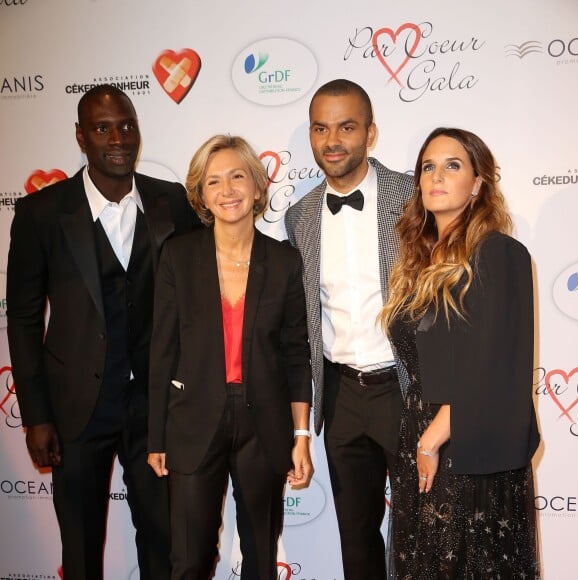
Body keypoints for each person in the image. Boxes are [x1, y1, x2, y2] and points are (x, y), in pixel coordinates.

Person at [6, 84, 201, 580]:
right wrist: (37, 416)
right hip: (75, 411)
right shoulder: (41, 214)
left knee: (164, 540)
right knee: (81, 545)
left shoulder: (171, 201)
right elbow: (25, 320)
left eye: (127, 125)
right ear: (80, 136)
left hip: (153, 409)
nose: (118, 138)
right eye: (102, 128)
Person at [147, 134, 313, 580]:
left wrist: (301, 435)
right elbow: (162, 350)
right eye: (213, 182)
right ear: (201, 196)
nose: (227, 190)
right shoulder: (178, 257)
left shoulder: (283, 262)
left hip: (265, 424)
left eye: (237, 176)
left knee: (261, 558)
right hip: (193, 420)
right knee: (189, 559)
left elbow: (297, 355)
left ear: (257, 186)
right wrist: (156, 437)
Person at [380, 127, 540, 578]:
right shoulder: (416, 261)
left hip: (467, 441)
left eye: (453, 165)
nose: (437, 176)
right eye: (428, 167)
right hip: (421, 430)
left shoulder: (499, 253)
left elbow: (490, 362)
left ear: (478, 184)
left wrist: (432, 439)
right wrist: (421, 439)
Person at [284, 79, 414, 580]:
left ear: (370, 133)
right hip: (339, 396)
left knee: (420, 527)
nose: (332, 140)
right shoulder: (301, 216)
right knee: (355, 534)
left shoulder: (412, 197)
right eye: (321, 128)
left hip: (404, 389)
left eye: (346, 126)